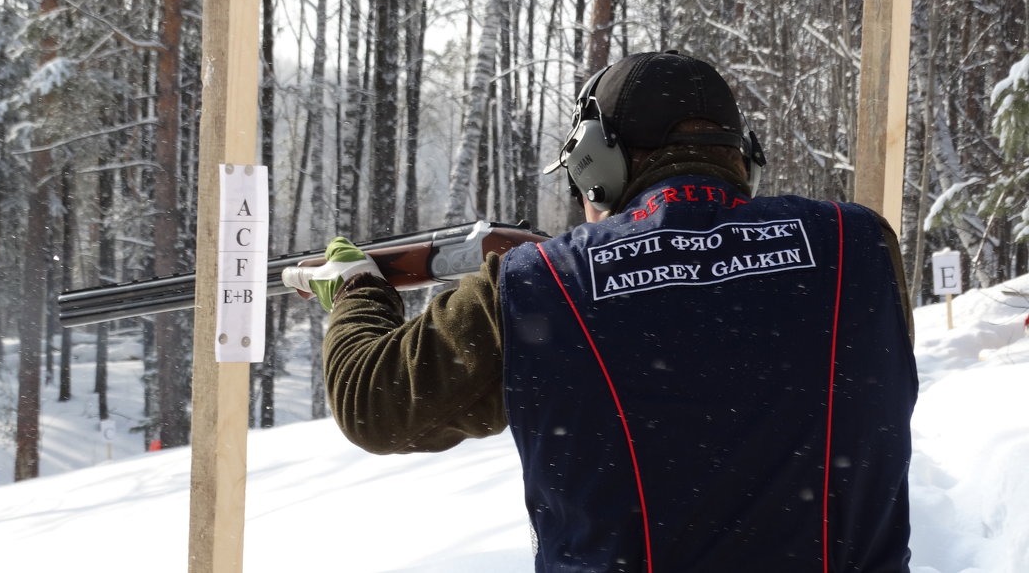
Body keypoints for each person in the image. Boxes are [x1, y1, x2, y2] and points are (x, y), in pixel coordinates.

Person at [283, 51, 918, 572]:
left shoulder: (540, 283)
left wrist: (356, 294)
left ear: (598, 163)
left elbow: (376, 405)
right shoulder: (862, 245)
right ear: (742, 159)